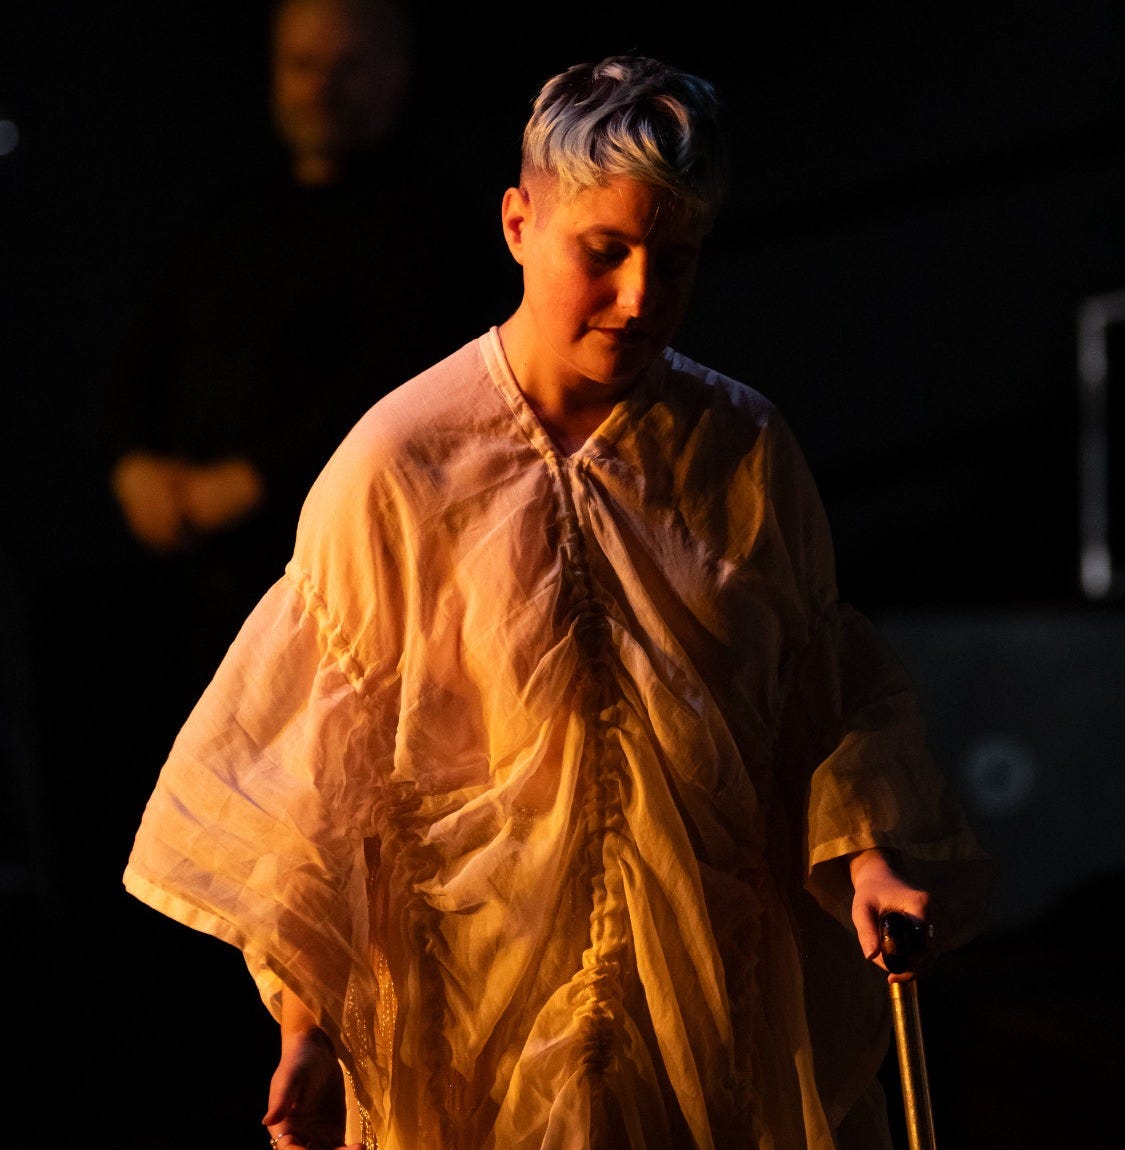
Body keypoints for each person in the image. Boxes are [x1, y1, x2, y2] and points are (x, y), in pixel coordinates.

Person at [124, 54, 990, 1149]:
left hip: (713, 1031)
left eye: (674, 262)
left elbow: (824, 692)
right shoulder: (401, 465)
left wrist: (869, 856)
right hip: (485, 1043)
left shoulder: (742, 451)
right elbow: (328, 794)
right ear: (519, 223)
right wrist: (310, 1033)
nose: (640, 298)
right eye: (606, 252)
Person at [105, 0, 500, 706]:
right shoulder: (228, 214)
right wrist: (135, 464)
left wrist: (251, 480)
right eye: (302, 66)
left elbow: (396, 389)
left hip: (349, 596)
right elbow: (146, 347)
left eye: (346, 67)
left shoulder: (436, 223)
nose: (320, 89)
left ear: (394, 72)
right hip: (199, 587)